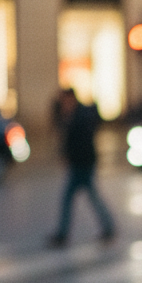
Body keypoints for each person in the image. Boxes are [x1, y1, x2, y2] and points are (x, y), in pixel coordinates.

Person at [48, 88, 116, 246]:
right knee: (90, 197)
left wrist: (70, 156)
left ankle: (63, 234)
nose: (63, 103)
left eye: (64, 99)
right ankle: (108, 227)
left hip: (82, 164)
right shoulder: (71, 115)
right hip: (80, 164)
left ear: (71, 98)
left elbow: (82, 141)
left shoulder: (80, 116)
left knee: (70, 199)